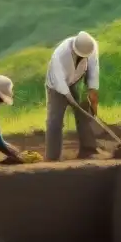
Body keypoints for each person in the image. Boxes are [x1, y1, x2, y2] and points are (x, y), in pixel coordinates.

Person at [45, 31, 100, 161]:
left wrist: (92, 93)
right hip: (56, 86)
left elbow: (93, 69)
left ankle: (88, 150)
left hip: (75, 81)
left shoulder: (91, 47)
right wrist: (70, 98)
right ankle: (52, 157)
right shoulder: (60, 55)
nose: (82, 58)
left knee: (84, 113)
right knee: (54, 121)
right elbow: (60, 83)